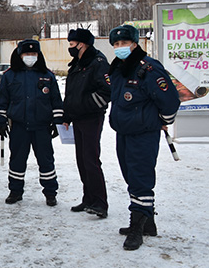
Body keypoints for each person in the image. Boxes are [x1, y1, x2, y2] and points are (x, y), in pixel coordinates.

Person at [108, 24, 180, 250]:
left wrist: (163, 121)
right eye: (116, 44)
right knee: (131, 176)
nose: (120, 47)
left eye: (125, 43)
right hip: (124, 132)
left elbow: (170, 100)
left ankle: (137, 228)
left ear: (135, 44)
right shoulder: (119, 68)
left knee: (140, 178)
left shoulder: (149, 68)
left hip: (143, 134)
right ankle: (148, 222)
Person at [0, 39, 64, 206]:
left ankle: (50, 193)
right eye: (27, 54)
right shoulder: (10, 76)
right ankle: (15, 191)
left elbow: (56, 101)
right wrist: (0, 121)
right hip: (19, 127)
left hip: (42, 127)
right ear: (20, 55)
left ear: (38, 55)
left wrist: (58, 121)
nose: (30, 57)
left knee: (46, 161)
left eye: (33, 54)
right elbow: (1, 101)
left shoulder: (47, 75)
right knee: (17, 161)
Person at [63, 28, 111, 218]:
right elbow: (72, 94)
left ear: (82, 44)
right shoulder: (78, 64)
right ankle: (88, 198)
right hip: (78, 118)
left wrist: (85, 107)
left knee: (91, 160)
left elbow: (106, 92)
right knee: (82, 160)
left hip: (91, 117)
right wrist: (68, 115)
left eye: (72, 44)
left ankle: (100, 203)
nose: (70, 48)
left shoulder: (97, 62)